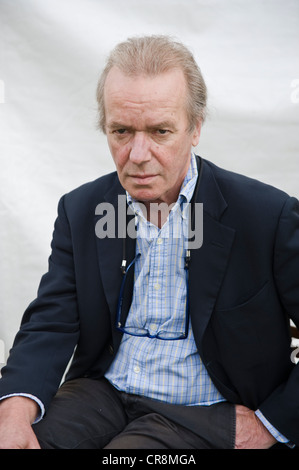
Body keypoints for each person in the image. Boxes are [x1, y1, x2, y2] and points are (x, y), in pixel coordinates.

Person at [0, 35, 298, 450]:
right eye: (121, 131)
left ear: (195, 128)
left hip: (208, 410)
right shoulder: (82, 209)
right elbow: (51, 320)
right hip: (103, 393)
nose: (138, 154)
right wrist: (12, 413)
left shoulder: (267, 215)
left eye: (160, 131)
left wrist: (271, 425)